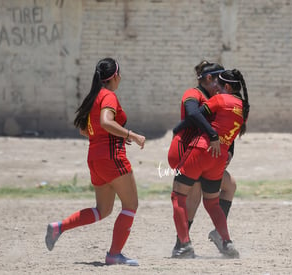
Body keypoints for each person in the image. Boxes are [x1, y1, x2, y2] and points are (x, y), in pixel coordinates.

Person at [45, 57, 146, 266]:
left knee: (103, 209)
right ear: (115, 76)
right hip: (111, 157)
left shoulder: (93, 97)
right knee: (131, 204)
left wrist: (106, 137)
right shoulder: (108, 96)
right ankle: (114, 255)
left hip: (95, 157)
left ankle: (58, 227)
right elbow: (106, 122)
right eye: (120, 74)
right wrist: (130, 135)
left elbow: (85, 128)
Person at [170, 69, 249, 259]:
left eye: (219, 86)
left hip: (201, 151)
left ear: (227, 87)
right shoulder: (243, 108)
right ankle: (227, 242)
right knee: (212, 202)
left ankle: (184, 245)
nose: (216, 89)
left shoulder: (220, 100)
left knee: (178, 196)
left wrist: (177, 130)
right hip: (219, 158)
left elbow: (194, 116)